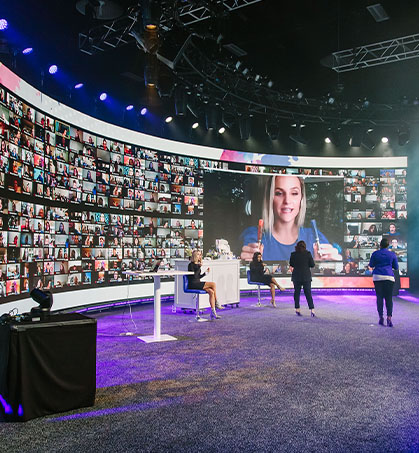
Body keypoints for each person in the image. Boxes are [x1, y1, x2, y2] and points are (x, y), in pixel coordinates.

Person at [240, 175, 341, 261]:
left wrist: (332, 267)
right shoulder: (253, 236)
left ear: (301, 198)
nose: (287, 201)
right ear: (269, 198)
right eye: (279, 193)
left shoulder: (315, 237)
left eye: (294, 193)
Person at [368, 238, 399, 327]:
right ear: (388, 245)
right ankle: (389, 318)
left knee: (379, 297)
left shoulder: (375, 254)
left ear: (380, 245)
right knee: (389, 298)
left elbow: (371, 265)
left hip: (377, 277)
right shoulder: (392, 254)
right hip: (389, 277)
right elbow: (396, 267)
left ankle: (381, 317)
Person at [187, 250, 221, 320]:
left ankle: (213, 312)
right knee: (213, 284)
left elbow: (198, 277)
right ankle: (217, 302)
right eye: (198, 255)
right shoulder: (191, 265)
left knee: (211, 292)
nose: (200, 256)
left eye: (200, 254)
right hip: (193, 284)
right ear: (195, 256)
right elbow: (194, 277)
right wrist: (199, 267)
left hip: (198, 283)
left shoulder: (198, 265)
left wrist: (205, 273)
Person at [289, 240, 316, 317]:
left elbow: (291, 264)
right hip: (306, 276)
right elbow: (312, 265)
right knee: (308, 293)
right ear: (305, 246)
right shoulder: (308, 254)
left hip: (296, 276)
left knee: (296, 293)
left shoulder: (293, 254)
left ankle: (297, 309)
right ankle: (312, 310)